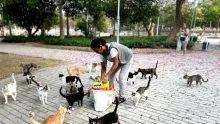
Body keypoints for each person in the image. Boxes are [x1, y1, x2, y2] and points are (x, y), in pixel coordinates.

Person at [91, 38, 133, 104]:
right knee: (110, 77)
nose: (96, 53)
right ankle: (111, 94)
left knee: (122, 77)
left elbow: (115, 64)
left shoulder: (112, 50)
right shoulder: (101, 54)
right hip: (118, 60)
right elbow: (103, 67)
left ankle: (122, 97)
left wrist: (107, 75)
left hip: (127, 58)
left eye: (96, 51)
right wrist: (102, 80)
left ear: (101, 47)